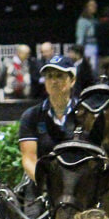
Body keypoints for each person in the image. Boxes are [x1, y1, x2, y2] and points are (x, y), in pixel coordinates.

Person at [19, 55, 77, 184]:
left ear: (72, 80)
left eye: (59, 76)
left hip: (79, 186)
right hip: (42, 184)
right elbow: (29, 159)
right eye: (49, 76)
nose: (54, 81)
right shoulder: (31, 116)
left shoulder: (84, 114)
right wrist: (47, 185)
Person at [76, 0, 98, 72]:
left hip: (96, 48)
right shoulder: (82, 21)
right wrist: (79, 52)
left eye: (95, 5)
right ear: (86, 7)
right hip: (88, 48)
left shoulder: (94, 20)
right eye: (91, 5)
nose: (94, 7)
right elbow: (80, 38)